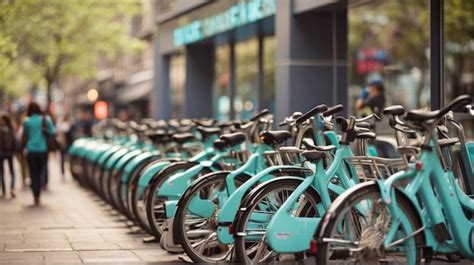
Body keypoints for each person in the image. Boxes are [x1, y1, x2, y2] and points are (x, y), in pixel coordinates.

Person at [21, 102, 56, 206]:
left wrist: (21, 149)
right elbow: (53, 132)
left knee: (33, 173)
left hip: (31, 150)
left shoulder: (27, 121)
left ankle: (35, 195)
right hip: (43, 150)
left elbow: (24, 136)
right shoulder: (46, 119)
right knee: (41, 172)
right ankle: (38, 193)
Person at [0, 113, 17, 198]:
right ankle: (12, 188)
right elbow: (15, 141)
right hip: (9, 152)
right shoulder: (11, 129)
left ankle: (3, 190)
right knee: (12, 172)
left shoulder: (1, 129)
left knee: (2, 172)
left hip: (1, 153)